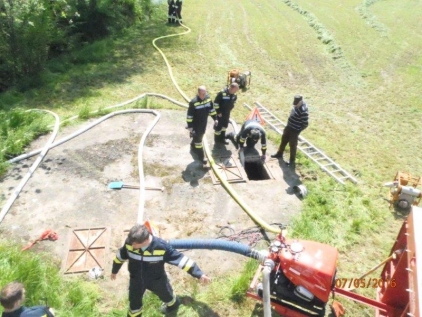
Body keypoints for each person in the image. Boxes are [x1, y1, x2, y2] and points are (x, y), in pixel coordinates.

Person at [111, 224, 211, 317]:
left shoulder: (161, 247)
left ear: (145, 241)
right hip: (136, 280)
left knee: (168, 297)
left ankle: (173, 306)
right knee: (134, 303)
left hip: (157, 280)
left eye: (135, 244)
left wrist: (199, 274)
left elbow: (181, 260)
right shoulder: (130, 243)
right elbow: (121, 256)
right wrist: (114, 271)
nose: (131, 246)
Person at [271, 95, 309, 169]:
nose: (295, 105)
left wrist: (298, 130)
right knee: (283, 140)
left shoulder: (303, 110)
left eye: (296, 103)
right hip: (289, 127)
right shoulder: (296, 105)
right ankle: (279, 153)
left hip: (295, 130)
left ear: (300, 102)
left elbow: (305, 124)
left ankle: (292, 161)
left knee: (292, 145)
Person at [186, 86, 218, 165]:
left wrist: (215, 118)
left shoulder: (208, 99)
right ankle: (201, 156)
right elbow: (189, 116)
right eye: (202, 94)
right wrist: (190, 127)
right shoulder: (194, 102)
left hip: (204, 122)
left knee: (200, 135)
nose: (204, 96)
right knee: (199, 140)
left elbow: (211, 110)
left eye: (205, 93)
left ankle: (193, 145)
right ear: (198, 93)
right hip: (196, 124)